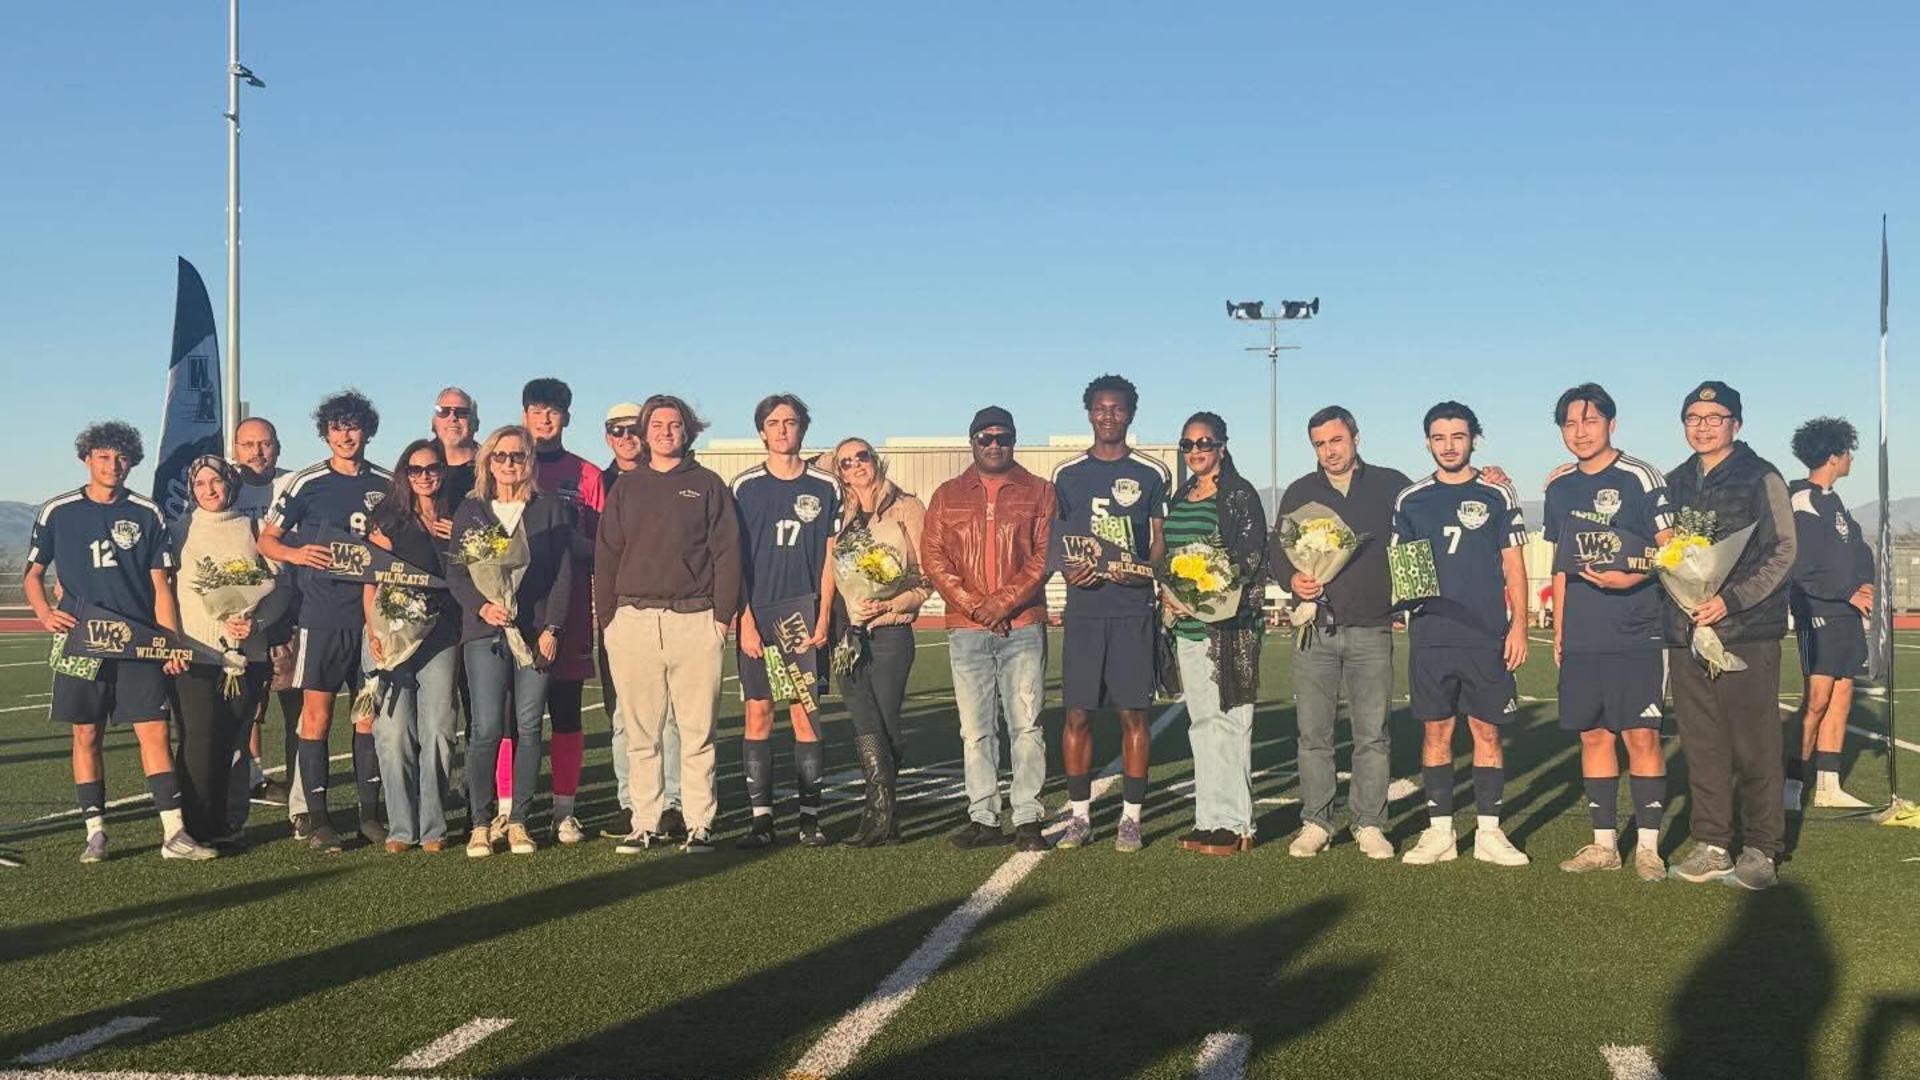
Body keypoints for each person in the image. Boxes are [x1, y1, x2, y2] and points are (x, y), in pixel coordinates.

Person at [25, 421, 212, 861]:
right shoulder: (58, 510)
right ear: (87, 459)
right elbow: (33, 575)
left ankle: (174, 834)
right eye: (104, 456)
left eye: (122, 457)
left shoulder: (147, 512)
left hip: (137, 644)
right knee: (86, 733)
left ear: (132, 461)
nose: (113, 465)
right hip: (80, 642)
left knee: (154, 732)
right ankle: (95, 833)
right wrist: (43, 612)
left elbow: (162, 586)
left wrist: (169, 642)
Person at [1664, 381, 1797, 890]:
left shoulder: (1761, 476)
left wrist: (1730, 600)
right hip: (1686, 632)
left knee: (1755, 743)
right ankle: (1713, 842)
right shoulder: (1674, 481)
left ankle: (1761, 848)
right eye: (1693, 417)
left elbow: (1784, 551)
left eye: (1714, 417)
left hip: (1746, 632)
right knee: (1702, 744)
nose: (1702, 425)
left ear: (1736, 424)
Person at [1542, 384, 1674, 882]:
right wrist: (1558, 625)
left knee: (1641, 735)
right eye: (1570, 424)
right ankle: (1603, 844)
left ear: (1611, 424)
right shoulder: (1558, 488)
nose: (1580, 432)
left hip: (1636, 629)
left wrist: (1632, 577)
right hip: (1582, 633)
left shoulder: (1641, 476)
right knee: (1593, 734)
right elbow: (1560, 562)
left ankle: (1648, 847)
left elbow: (1673, 548)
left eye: (1590, 422)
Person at [598, 394, 739, 854]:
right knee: (642, 734)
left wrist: (720, 619)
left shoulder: (708, 485)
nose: (664, 432)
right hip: (633, 620)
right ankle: (645, 821)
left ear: (688, 430)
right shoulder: (626, 487)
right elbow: (607, 555)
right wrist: (610, 620)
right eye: (656, 425)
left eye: (673, 424)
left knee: (696, 733)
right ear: (644, 431)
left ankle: (699, 822)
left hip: (694, 620)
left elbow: (727, 554)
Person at [1268, 406, 1411, 861]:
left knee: (1373, 734)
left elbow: (1422, 524)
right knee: (1314, 734)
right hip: (1316, 630)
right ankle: (1316, 821)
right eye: (1320, 444)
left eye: (1336, 441)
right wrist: (1292, 580)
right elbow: (1278, 549)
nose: (1329, 451)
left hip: (1372, 628)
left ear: (1355, 437)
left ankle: (1369, 823)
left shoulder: (1392, 484)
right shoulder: (1300, 491)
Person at [1393, 401, 1531, 868]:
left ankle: (1490, 832)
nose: (1448, 445)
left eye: (1457, 436)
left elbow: (1514, 565)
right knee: (1436, 731)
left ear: (1474, 438)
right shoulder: (1411, 500)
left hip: (1485, 633)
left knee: (1486, 732)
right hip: (1432, 636)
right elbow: (1406, 572)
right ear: (1427, 441)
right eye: (1438, 437)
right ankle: (1440, 834)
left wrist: (1519, 626)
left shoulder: (1498, 493)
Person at [257, 390, 392, 851]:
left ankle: (369, 815)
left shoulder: (388, 483)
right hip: (322, 616)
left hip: (372, 618)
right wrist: (296, 553)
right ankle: (318, 819)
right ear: (325, 433)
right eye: (337, 427)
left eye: (353, 426)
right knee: (316, 715)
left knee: (367, 717)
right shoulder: (304, 482)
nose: (346, 435)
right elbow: (267, 541)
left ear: (367, 430)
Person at [922, 406, 1053, 852]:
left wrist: (1003, 602)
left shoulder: (1039, 491)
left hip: (1023, 624)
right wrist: (976, 606)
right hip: (967, 627)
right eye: (985, 437)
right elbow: (934, 558)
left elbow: (1043, 555)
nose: (994, 444)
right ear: (971, 440)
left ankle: (1029, 816)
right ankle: (983, 815)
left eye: (1003, 437)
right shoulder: (947, 495)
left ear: (1014, 440)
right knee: (975, 729)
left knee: (1026, 724)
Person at [482, 378, 604, 844]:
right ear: (524, 413)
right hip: (513, 619)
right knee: (512, 717)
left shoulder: (587, 475)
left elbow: (601, 544)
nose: (545, 418)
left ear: (567, 417)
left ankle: (565, 810)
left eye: (554, 410)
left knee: (567, 710)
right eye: (536, 409)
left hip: (566, 612)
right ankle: (510, 810)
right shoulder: (499, 472)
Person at [1052, 374, 1169, 852]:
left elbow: (1159, 542)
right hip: (1084, 612)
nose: (1108, 416)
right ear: (1088, 413)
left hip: (1131, 611)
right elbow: (1057, 540)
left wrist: (1142, 570)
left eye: (1117, 409)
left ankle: (1131, 818)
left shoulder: (1152, 472)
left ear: (1130, 414)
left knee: (1132, 715)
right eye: (1100, 408)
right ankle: (1079, 817)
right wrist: (1067, 571)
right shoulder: (1067, 474)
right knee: (1077, 714)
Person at [448, 425, 573, 857]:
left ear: (529, 461)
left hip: (535, 634)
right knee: (484, 729)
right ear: (487, 461)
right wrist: (482, 607)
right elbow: (458, 572)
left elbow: (562, 573)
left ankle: (519, 820)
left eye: (517, 457)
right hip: (485, 633)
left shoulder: (549, 508)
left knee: (530, 726)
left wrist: (552, 628)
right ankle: (481, 823)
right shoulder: (472, 509)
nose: (508, 464)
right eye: (500, 456)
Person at [1156, 413, 1268, 856]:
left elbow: (1248, 559)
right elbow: (1171, 555)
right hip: (1187, 629)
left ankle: (1237, 823)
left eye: (1205, 442)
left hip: (1230, 630)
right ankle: (1209, 819)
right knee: (1202, 725)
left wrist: (1204, 597)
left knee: (1233, 725)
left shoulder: (1240, 495)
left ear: (1222, 445)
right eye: (1188, 444)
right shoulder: (1182, 495)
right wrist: (1171, 592)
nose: (1196, 450)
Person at [731, 393, 839, 848]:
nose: (782, 429)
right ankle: (761, 820)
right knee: (758, 712)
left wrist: (824, 617)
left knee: (805, 714)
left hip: (804, 615)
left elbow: (831, 559)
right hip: (759, 614)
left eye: (790, 422)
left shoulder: (825, 486)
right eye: (773, 422)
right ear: (761, 431)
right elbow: (733, 560)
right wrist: (745, 621)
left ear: (802, 429)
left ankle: (810, 818)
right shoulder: (745, 487)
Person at [170, 455, 286, 850]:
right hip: (196, 655)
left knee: (236, 741)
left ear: (231, 484)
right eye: (200, 484)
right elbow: (159, 586)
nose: (209, 490)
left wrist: (257, 623)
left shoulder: (255, 529)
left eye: (216, 482)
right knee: (200, 741)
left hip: (246, 656)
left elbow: (279, 588)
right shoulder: (178, 530)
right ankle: (197, 826)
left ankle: (230, 821)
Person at [828, 437, 930, 847]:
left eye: (861, 457)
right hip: (846, 635)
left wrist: (889, 606)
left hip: (890, 631)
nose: (855, 466)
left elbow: (925, 578)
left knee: (886, 724)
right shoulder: (838, 513)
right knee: (864, 723)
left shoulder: (907, 507)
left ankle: (882, 816)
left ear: (875, 459)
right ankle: (879, 817)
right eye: (845, 462)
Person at [365, 439, 461, 852]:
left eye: (432, 468)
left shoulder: (460, 513)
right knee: (393, 733)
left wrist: (460, 538)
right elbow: (369, 577)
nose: (425, 476)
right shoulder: (388, 517)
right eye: (416, 469)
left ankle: (434, 827)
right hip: (391, 633)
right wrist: (374, 631)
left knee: (438, 730)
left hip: (441, 634)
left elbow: (487, 564)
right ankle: (401, 827)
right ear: (404, 473)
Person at [597, 402, 685, 839]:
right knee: (623, 716)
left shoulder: (678, 476)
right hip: (622, 614)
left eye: (635, 428)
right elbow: (601, 550)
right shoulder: (602, 481)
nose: (627, 437)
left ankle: (672, 803)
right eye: (617, 430)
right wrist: (608, 616)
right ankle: (630, 801)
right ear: (606, 435)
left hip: (671, 613)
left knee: (669, 715)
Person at [1784, 416, 1877, 812]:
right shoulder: (1799, 499)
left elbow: (1858, 549)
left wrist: (1866, 583)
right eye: (1848, 452)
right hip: (1818, 611)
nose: (1851, 458)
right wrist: (1844, 592)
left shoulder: (1834, 502)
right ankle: (1790, 784)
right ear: (1834, 455)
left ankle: (1828, 784)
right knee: (1817, 699)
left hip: (1847, 614)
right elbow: (1801, 567)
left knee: (1842, 695)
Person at [228, 416, 297, 820]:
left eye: (265, 443)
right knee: (247, 703)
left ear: (278, 447)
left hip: (289, 604)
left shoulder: (292, 484)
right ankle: (252, 776)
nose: (257, 452)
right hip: (239, 609)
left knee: (295, 697)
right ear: (235, 448)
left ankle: (300, 778)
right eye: (248, 444)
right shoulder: (223, 486)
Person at [431, 387, 479, 511]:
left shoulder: (495, 467)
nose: (452, 418)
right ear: (433, 423)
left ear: (476, 423)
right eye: (443, 411)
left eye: (462, 412)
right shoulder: (416, 465)